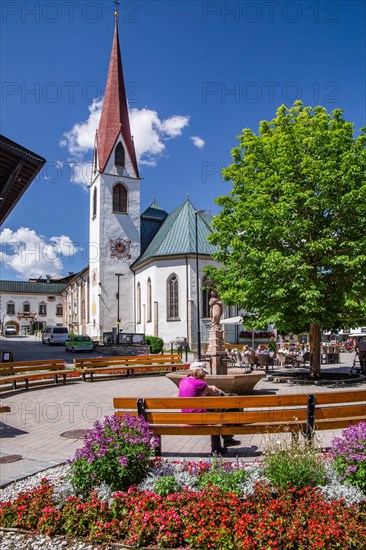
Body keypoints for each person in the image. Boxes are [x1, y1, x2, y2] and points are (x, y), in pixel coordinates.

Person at [178, 362, 241, 455]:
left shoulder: (182, 381)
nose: (205, 375)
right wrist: (222, 393)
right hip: (196, 417)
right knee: (217, 415)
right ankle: (225, 441)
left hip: (186, 415)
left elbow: (195, 394)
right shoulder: (200, 383)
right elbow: (215, 392)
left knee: (213, 416)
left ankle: (222, 444)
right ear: (199, 372)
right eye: (204, 373)